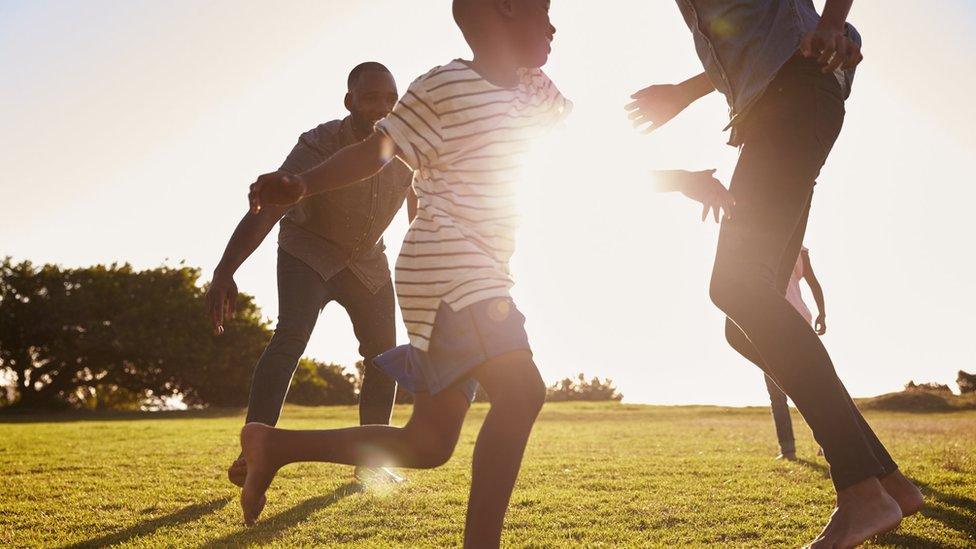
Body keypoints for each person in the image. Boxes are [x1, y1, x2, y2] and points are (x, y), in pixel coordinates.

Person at [238, 1, 570, 546]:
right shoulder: (442, 87)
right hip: (447, 262)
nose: (553, 25)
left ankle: (275, 447)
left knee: (429, 444)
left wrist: (674, 177)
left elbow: (578, 155)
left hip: (479, 268)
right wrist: (301, 185)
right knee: (521, 393)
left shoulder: (536, 89)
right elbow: (377, 152)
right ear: (501, 14)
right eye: (540, 10)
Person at [628, 1, 923, 547]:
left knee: (735, 286)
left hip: (793, 99)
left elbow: (785, 28)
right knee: (742, 321)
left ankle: (861, 492)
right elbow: (746, 39)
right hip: (783, 103)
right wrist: (682, 93)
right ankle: (887, 480)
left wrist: (835, 22)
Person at [205, 62, 417, 487]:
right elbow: (272, 205)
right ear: (350, 101)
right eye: (372, 97)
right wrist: (225, 270)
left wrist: (425, 262)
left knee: (384, 356)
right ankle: (254, 450)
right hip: (309, 251)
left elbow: (420, 208)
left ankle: (371, 460)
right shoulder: (319, 143)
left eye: (391, 98)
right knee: (290, 338)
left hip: (367, 259)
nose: (383, 106)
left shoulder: (408, 144)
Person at [762, 246, 827, 461]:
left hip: (774, 323)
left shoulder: (768, 242)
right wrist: (822, 314)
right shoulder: (801, 251)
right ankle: (826, 443)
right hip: (800, 318)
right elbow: (814, 283)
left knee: (778, 394)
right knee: (813, 390)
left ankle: (788, 449)